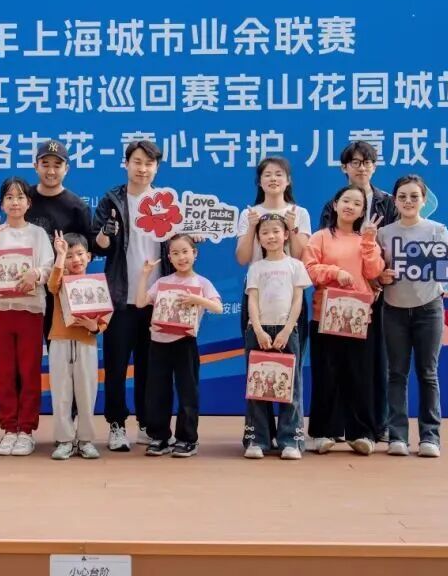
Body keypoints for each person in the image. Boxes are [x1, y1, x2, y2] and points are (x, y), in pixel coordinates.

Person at [377, 174, 448, 459]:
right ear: (395, 201)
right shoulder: (384, 233)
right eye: (402, 197)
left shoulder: (436, 230)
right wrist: (381, 276)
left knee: (428, 374)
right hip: (393, 310)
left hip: (429, 309)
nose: (408, 201)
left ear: (424, 200)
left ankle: (430, 437)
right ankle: (397, 437)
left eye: (414, 196)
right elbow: (375, 271)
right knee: (396, 374)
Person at [91, 140, 173, 451]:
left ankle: (147, 424)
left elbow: (177, 247)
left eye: (149, 164)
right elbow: (97, 245)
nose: (142, 169)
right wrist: (105, 233)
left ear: (157, 168)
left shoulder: (166, 202)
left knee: (150, 367)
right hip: (120, 298)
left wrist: (192, 236)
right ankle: (116, 424)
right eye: (137, 162)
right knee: (115, 365)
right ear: (126, 164)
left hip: (156, 299)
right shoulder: (112, 199)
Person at [318, 140, 399, 443]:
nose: (361, 167)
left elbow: (394, 244)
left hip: (381, 292)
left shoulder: (388, 202)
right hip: (340, 298)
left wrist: (379, 280)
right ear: (344, 168)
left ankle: (377, 426)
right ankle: (336, 427)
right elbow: (326, 246)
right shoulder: (332, 204)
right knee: (337, 363)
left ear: (374, 166)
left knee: (374, 362)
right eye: (355, 162)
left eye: (367, 162)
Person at [303, 185, 385, 456]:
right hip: (326, 315)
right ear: (335, 204)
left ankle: (362, 433)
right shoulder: (320, 237)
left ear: (362, 212)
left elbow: (374, 272)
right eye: (346, 201)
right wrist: (334, 273)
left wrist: (370, 242)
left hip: (359, 316)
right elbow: (309, 270)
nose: (350, 206)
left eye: (357, 204)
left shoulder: (365, 239)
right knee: (327, 374)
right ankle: (323, 432)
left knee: (360, 375)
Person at [0, 177, 53, 457]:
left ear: (29, 203)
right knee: (5, 371)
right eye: (9, 197)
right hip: (1, 310)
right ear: (1, 204)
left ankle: (26, 430)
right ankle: (9, 428)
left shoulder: (38, 234)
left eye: (20, 197)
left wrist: (37, 273)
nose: (15, 202)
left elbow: (48, 267)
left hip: (30, 310)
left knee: (29, 370)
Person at [135, 234, 223, 458]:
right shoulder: (162, 282)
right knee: (157, 392)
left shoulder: (202, 283)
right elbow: (140, 302)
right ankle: (159, 437)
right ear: (169, 258)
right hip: (159, 343)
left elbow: (218, 307)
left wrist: (198, 300)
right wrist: (145, 275)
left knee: (187, 392)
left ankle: (187, 439)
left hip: (185, 343)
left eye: (185, 252)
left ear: (195, 253)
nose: (181, 257)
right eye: (175, 253)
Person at [235, 156, 313, 380]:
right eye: (267, 174)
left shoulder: (299, 213)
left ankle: (293, 405)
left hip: (290, 293)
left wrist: (292, 227)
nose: (273, 179)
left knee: (291, 365)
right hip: (256, 292)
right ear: (259, 182)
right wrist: (252, 227)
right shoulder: (249, 214)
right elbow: (242, 258)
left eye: (279, 174)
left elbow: (301, 256)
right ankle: (259, 406)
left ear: (288, 181)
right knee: (258, 367)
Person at [242, 214, 311, 460]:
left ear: (286, 235)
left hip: (286, 331)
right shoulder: (256, 268)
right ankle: (257, 440)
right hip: (258, 331)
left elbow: (298, 301)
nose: (270, 236)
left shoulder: (296, 266)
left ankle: (290, 440)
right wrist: (258, 329)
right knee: (258, 386)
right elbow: (252, 300)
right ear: (258, 238)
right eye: (264, 232)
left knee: (289, 385)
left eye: (275, 231)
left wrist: (287, 329)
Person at [46, 232, 110, 460]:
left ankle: (85, 440)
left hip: (86, 343)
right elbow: (51, 285)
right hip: (60, 341)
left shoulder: (97, 284)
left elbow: (105, 317)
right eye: (70, 255)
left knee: (86, 393)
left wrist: (95, 327)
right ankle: (64, 440)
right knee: (61, 393)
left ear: (89, 256)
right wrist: (60, 256)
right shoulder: (60, 278)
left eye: (80, 254)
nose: (76, 260)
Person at [26, 139, 94, 347]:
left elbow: (87, 251)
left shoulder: (77, 207)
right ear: (35, 166)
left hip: (60, 291)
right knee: (27, 350)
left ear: (67, 169)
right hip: (27, 286)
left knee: (59, 349)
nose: (51, 171)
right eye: (45, 164)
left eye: (57, 165)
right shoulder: (24, 200)